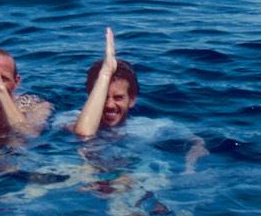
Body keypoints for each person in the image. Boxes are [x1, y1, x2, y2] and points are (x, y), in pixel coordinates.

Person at [73, 27, 207, 173]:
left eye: (118, 98)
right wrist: (106, 72)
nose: (110, 105)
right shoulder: (70, 120)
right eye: (103, 97)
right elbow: (84, 134)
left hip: (133, 174)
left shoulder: (149, 128)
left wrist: (191, 164)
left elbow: (196, 141)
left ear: (131, 100)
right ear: (93, 97)